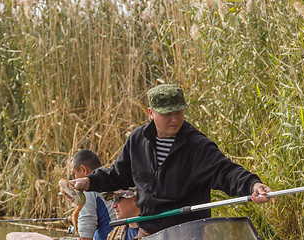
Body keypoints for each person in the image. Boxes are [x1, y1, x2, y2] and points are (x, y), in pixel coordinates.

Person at [71, 84, 276, 234]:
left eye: (179, 112)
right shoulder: (137, 140)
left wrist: (252, 185)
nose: (175, 119)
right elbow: (117, 175)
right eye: (168, 114)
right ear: (151, 113)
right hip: (149, 233)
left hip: (188, 234)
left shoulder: (197, 145)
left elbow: (226, 172)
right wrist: (88, 182)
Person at [70, 149, 117, 240]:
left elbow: (86, 234)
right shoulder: (115, 179)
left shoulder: (88, 188)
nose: (75, 178)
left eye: (75, 173)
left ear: (84, 169)